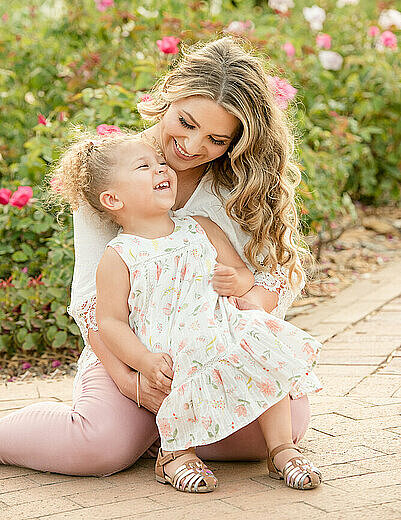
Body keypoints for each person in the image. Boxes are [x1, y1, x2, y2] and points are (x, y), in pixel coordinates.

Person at [0, 36, 316, 479]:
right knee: (99, 449)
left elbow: (270, 274)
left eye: (216, 139)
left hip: (213, 345)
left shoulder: (239, 182)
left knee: (284, 425)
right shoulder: (113, 170)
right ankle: (139, 429)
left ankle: (161, 434)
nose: (190, 146)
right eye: (185, 122)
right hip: (134, 351)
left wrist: (245, 310)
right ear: (170, 94)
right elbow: (92, 305)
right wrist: (133, 384)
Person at [58, 132, 324, 492]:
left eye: (160, 163)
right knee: (175, 373)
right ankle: (175, 455)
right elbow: (110, 322)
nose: (161, 169)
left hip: (219, 327)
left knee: (262, 345)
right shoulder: (118, 256)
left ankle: (282, 450)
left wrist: (237, 280)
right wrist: (144, 360)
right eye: (144, 166)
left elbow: (241, 273)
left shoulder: (200, 227)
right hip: (168, 342)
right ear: (113, 199)